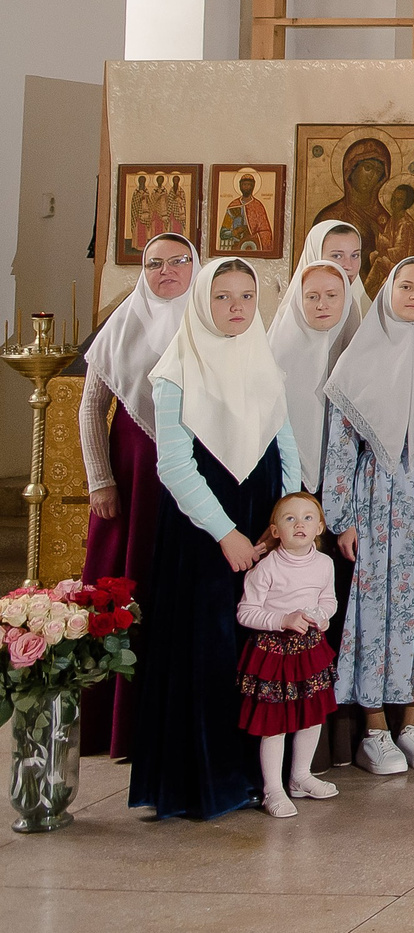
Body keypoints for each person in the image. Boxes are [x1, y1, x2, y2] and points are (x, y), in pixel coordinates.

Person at [129, 258, 301, 821]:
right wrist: (227, 534)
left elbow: (285, 443)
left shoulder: (261, 359)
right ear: (202, 303)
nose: (236, 307)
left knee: (258, 650)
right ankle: (205, 782)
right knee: (209, 649)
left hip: (263, 523)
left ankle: (259, 776)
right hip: (204, 530)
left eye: (246, 296)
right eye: (222, 296)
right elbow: (175, 466)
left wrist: (285, 521)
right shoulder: (176, 369)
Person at [320, 256, 414, 777]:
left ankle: (413, 724)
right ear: (388, 291)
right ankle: (375, 728)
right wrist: (342, 519)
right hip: (375, 500)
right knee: (374, 611)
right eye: (406, 286)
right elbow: (340, 446)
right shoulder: (359, 358)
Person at [77, 230, 194, 757]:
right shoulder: (122, 323)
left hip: (194, 471)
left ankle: (171, 723)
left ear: (195, 267)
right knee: (126, 586)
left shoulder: (210, 319)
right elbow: (91, 406)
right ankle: (115, 723)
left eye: (178, 261)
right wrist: (100, 478)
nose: (166, 271)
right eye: (154, 264)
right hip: (133, 472)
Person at [235, 492, 340, 818]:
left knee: (312, 717)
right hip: (274, 654)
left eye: (307, 518)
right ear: (275, 531)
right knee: (275, 724)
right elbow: (245, 612)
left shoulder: (324, 564)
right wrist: (282, 619)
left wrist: (323, 615)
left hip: (310, 652)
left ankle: (300, 777)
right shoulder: (266, 569)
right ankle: (273, 789)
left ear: (319, 527)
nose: (299, 524)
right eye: (290, 518)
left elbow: (329, 600)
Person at [271, 248, 355, 491]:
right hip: (281, 474)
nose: (322, 305)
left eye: (332, 295)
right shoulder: (273, 355)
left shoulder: (359, 354)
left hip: (343, 484)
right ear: (299, 300)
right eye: (312, 297)